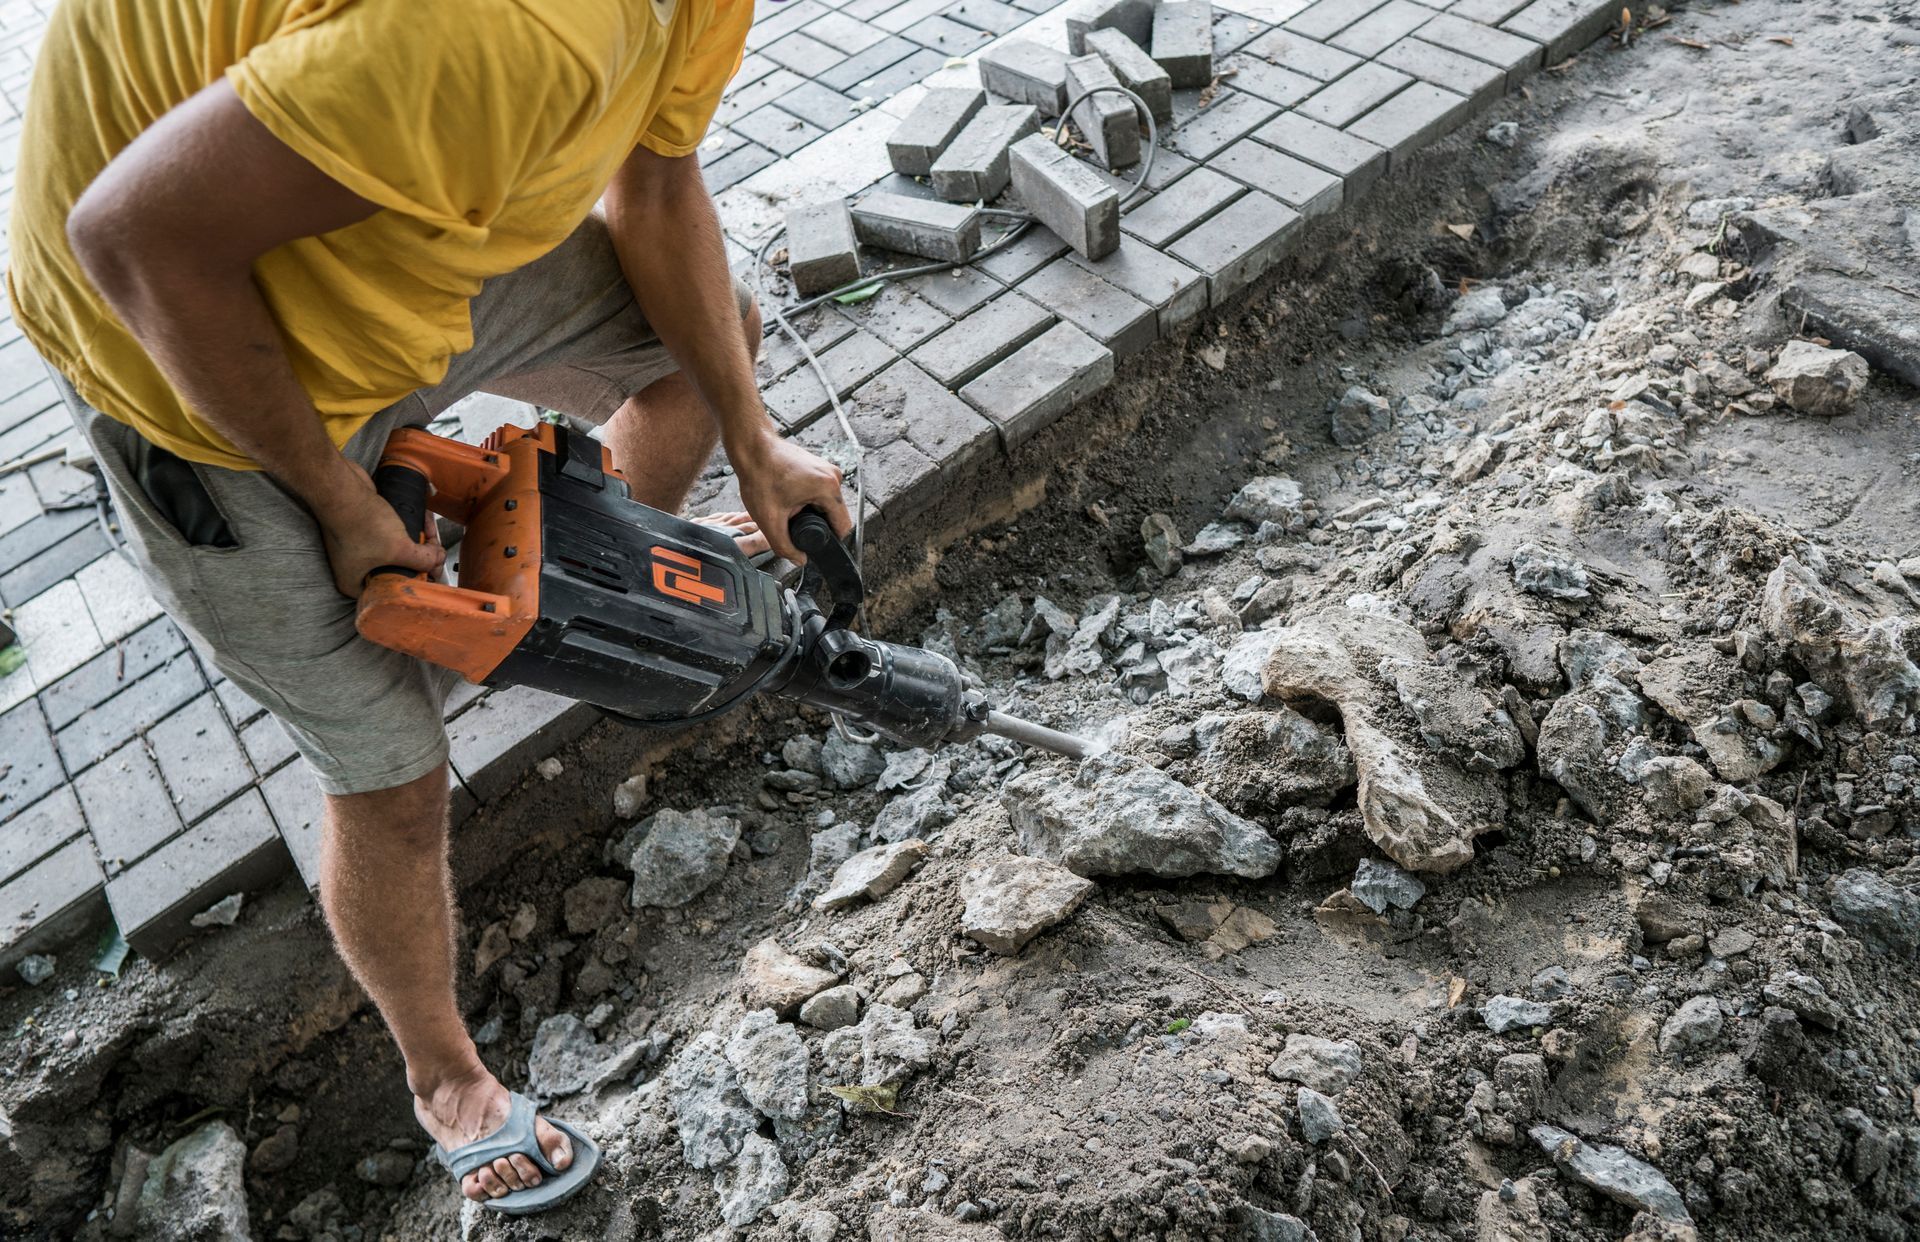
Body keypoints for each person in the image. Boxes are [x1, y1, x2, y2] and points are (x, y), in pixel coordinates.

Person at [8, 0, 852, 1213]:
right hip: (183, 337)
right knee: (393, 772)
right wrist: (342, 502)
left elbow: (658, 192)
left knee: (706, 351)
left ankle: (565, 585)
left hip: (370, 222)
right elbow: (135, 239)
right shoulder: (512, 30)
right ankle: (446, 1081)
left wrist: (754, 432)